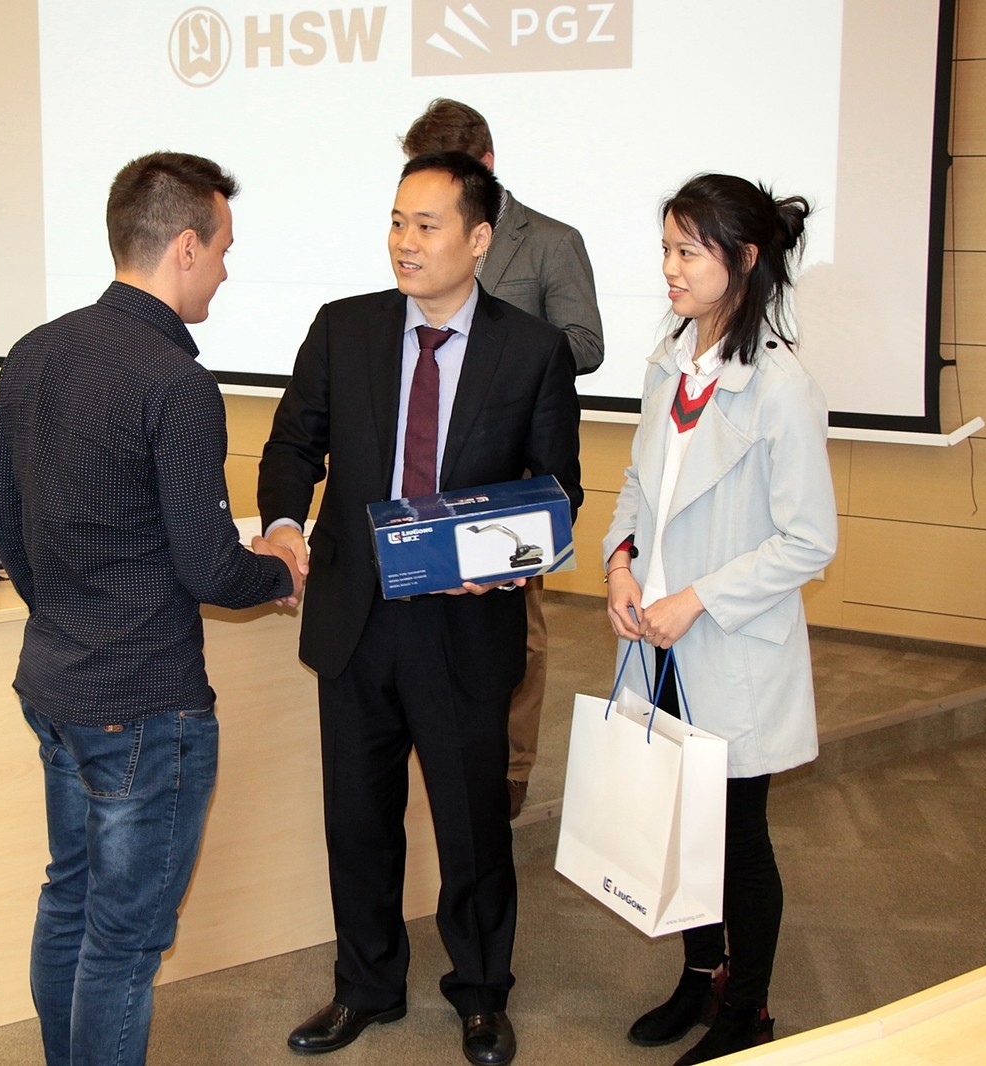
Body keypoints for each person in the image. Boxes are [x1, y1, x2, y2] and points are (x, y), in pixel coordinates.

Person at [259, 150, 582, 1066]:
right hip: (356, 616)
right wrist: (283, 526)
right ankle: (365, 986)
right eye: (397, 221)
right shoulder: (344, 329)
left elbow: (558, 487)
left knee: (471, 826)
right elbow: (294, 445)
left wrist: (506, 559)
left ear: (479, 240)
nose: (405, 241)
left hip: (463, 622)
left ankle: (480, 992)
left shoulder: (532, 350)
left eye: (427, 225)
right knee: (358, 820)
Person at [0, 151, 303, 1066]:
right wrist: (279, 571)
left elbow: (5, 523)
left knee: (70, 901)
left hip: (55, 684)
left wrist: (72, 616)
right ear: (186, 248)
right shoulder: (176, 383)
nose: (228, 271)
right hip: (143, 706)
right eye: (224, 250)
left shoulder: (35, 351)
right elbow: (208, 566)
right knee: (123, 945)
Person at [601, 174, 837, 1065]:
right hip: (656, 641)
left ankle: (750, 1009)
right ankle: (701, 977)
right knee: (680, 824)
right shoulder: (670, 362)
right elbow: (639, 485)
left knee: (738, 838)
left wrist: (694, 599)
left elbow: (809, 541)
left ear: (742, 259)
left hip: (727, 643)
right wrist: (619, 564)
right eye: (666, 248)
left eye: (687, 251)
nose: (669, 267)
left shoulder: (780, 386)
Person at [401, 97, 604, 820]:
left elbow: (586, 342)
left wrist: (507, 353)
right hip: (429, 456)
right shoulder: (421, 239)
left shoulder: (550, 240)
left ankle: (512, 764)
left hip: (511, 471)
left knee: (520, 626)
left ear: (485, 164)